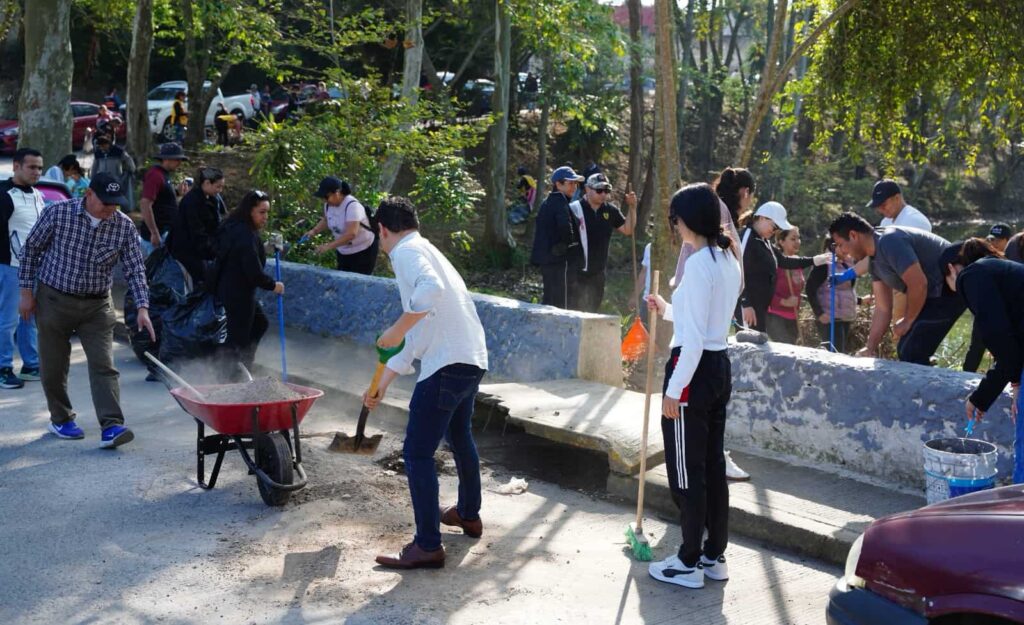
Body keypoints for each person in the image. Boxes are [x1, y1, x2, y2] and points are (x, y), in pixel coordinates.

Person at [361, 196, 489, 570]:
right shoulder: (427, 250)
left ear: (382, 230)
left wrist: (394, 328)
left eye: (378, 236)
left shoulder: (405, 252)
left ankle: (428, 545)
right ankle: (468, 514)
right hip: (471, 359)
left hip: (447, 365)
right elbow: (417, 334)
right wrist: (383, 382)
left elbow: (428, 292)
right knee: (460, 437)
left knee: (417, 453)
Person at [644, 183, 742, 589]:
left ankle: (687, 561)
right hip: (718, 366)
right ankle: (713, 555)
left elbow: (695, 339)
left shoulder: (701, 263)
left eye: (675, 219)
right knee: (713, 466)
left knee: (687, 471)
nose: (675, 226)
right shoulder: (728, 258)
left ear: (687, 220)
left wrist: (674, 390)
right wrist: (667, 309)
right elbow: (704, 321)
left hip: (693, 370)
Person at [18, 173, 155, 448]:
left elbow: (135, 269)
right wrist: (26, 293)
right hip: (54, 299)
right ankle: (61, 418)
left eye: (115, 204)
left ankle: (112, 426)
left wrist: (143, 307)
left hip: (97, 306)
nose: (110, 209)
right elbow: (30, 250)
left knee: (104, 365)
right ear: (89, 194)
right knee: (53, 366)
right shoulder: (58, 213)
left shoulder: (123, 226)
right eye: (105, 203)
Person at [829, 212, 965, 365]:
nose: (842, 251)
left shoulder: (889, 241)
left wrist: (908, 320)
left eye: (840, 244)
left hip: (951, 286)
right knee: (905, 349)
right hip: (933, 294)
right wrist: (870, 347)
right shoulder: (873, 260)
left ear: (853, 235)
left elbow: (919, 284)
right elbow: (883, 308)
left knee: (911, 351)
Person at [941, 238, 1024, 484]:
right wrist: (1016, 383)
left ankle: (1019, 504)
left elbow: (999, 338)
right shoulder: (1005, 273)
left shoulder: (971, 275)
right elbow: (1011, 340)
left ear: (951, 269)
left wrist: (980, 398)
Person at [211, 190, 284, 376]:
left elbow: (243, 254)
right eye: (262, 212)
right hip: (238, 293)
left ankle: (243, 365)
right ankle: (230, 375)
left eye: (267, 212)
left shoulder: (235, 226)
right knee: (238, 338)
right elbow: (254, 273)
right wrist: (274, 285)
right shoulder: (245, 234)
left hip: (229, 288)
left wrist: (265, 247)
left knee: (259, 323)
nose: (265, 217)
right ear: (250, 211)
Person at [738, 202, 829, 333]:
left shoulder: (764, 240)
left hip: (760, 308)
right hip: (748, 308)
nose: (775, 231)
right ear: (762, 218)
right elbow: (738, 271)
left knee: (759, 342)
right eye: (774, 226)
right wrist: (745, 303)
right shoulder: (747, 237)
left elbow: (784, 261)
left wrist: (814, 260)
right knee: (747, 343)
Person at [0, 148, 45, 388]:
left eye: (40, 167)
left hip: (34, 268)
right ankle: (3, 368)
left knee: (29, 318)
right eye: (32, 167)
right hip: (10, 268)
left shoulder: (38, 195)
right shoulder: (4, 195)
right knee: (7, 321)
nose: (37, 172)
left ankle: (31, 365)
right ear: (16, 166)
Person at [570, 173, 636, 312]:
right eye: (599, 190)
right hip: (575, 272)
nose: (603, 194)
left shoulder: (610, 210)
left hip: (598, 273)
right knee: (573, 311)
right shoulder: (574, 208)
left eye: (606, 190)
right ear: (587, 189)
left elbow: (628, 229)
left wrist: (632, 208)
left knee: (593, 312)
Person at [962, 223, 1014, 372]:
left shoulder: (1015, 256)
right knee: (976, 346)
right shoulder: (984, 257)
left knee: (1004, 349)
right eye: (991, 239)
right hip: (987, 307)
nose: (993, 243)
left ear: (1008, 240)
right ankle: (965, 375)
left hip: (1009, 310)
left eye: (998, 240)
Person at [530, 166, 584, 309]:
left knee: (550, 298)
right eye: (570, 183)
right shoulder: (560, 202)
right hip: (558, 260)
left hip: (548, 259)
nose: (574, 187)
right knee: (558, 303)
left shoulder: (547, 202)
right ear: (558, 184)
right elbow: (565, 226)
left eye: (575, 183)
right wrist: (571, 244)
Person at [302, 177, 379, 275]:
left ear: (337, 193)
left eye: (326, 197)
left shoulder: (352, 206)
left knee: (357, 280)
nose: (324, 200)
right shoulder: (328, 205)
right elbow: (326, 219)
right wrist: (314, 231)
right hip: (343, 250)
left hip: (363, 250)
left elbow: (351, 234)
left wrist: (328, 246)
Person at [168, 167, 227, 285]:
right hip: (189, 251)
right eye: (218, 187)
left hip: (202, 249)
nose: (220, 190)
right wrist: (214, 251)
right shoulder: (192, 202)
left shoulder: (212, 198)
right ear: (207, 183)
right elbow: (197, 232)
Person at [805, 235, 863, 353]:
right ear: (832, 247)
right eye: (841, 246)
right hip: (829, 318)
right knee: (835, 353)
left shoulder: (848, 264)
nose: (845, 249)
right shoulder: (823, 264)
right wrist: (819, 313)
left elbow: (845, 291)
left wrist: (860, 301)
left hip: (844, 317)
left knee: (840, 352)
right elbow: (810, 289)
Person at [139, 143, 188, 255]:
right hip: (157, 235)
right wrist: (154, 232)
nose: (179, 163)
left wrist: (177, 192)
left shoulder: (164, 175)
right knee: (159, 265)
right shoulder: (155, 175)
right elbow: (145, 203)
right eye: (177, 159)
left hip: (165, 232)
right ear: (166, 159)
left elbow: (162, 199)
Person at [765, 226, 806, 344]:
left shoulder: (798, 262)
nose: (797, 242)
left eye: (798, 238)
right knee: (785, 349)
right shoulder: (774, 262)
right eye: (793, 239)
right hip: (776, 317)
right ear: (781, 242)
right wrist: (784, 302)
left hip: (794, 317)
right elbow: (765, 290)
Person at [91, 133, 136, 211]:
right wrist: (92, 177)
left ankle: (119, 210)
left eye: (103, 146)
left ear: (107, 144)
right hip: (103, 180)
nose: (101, 148)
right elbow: (95, 167)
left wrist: (131, 169)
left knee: (116, 196)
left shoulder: (118, 151)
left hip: (116, 178)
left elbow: (128, 159)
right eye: (100, 146)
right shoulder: (98, 153)